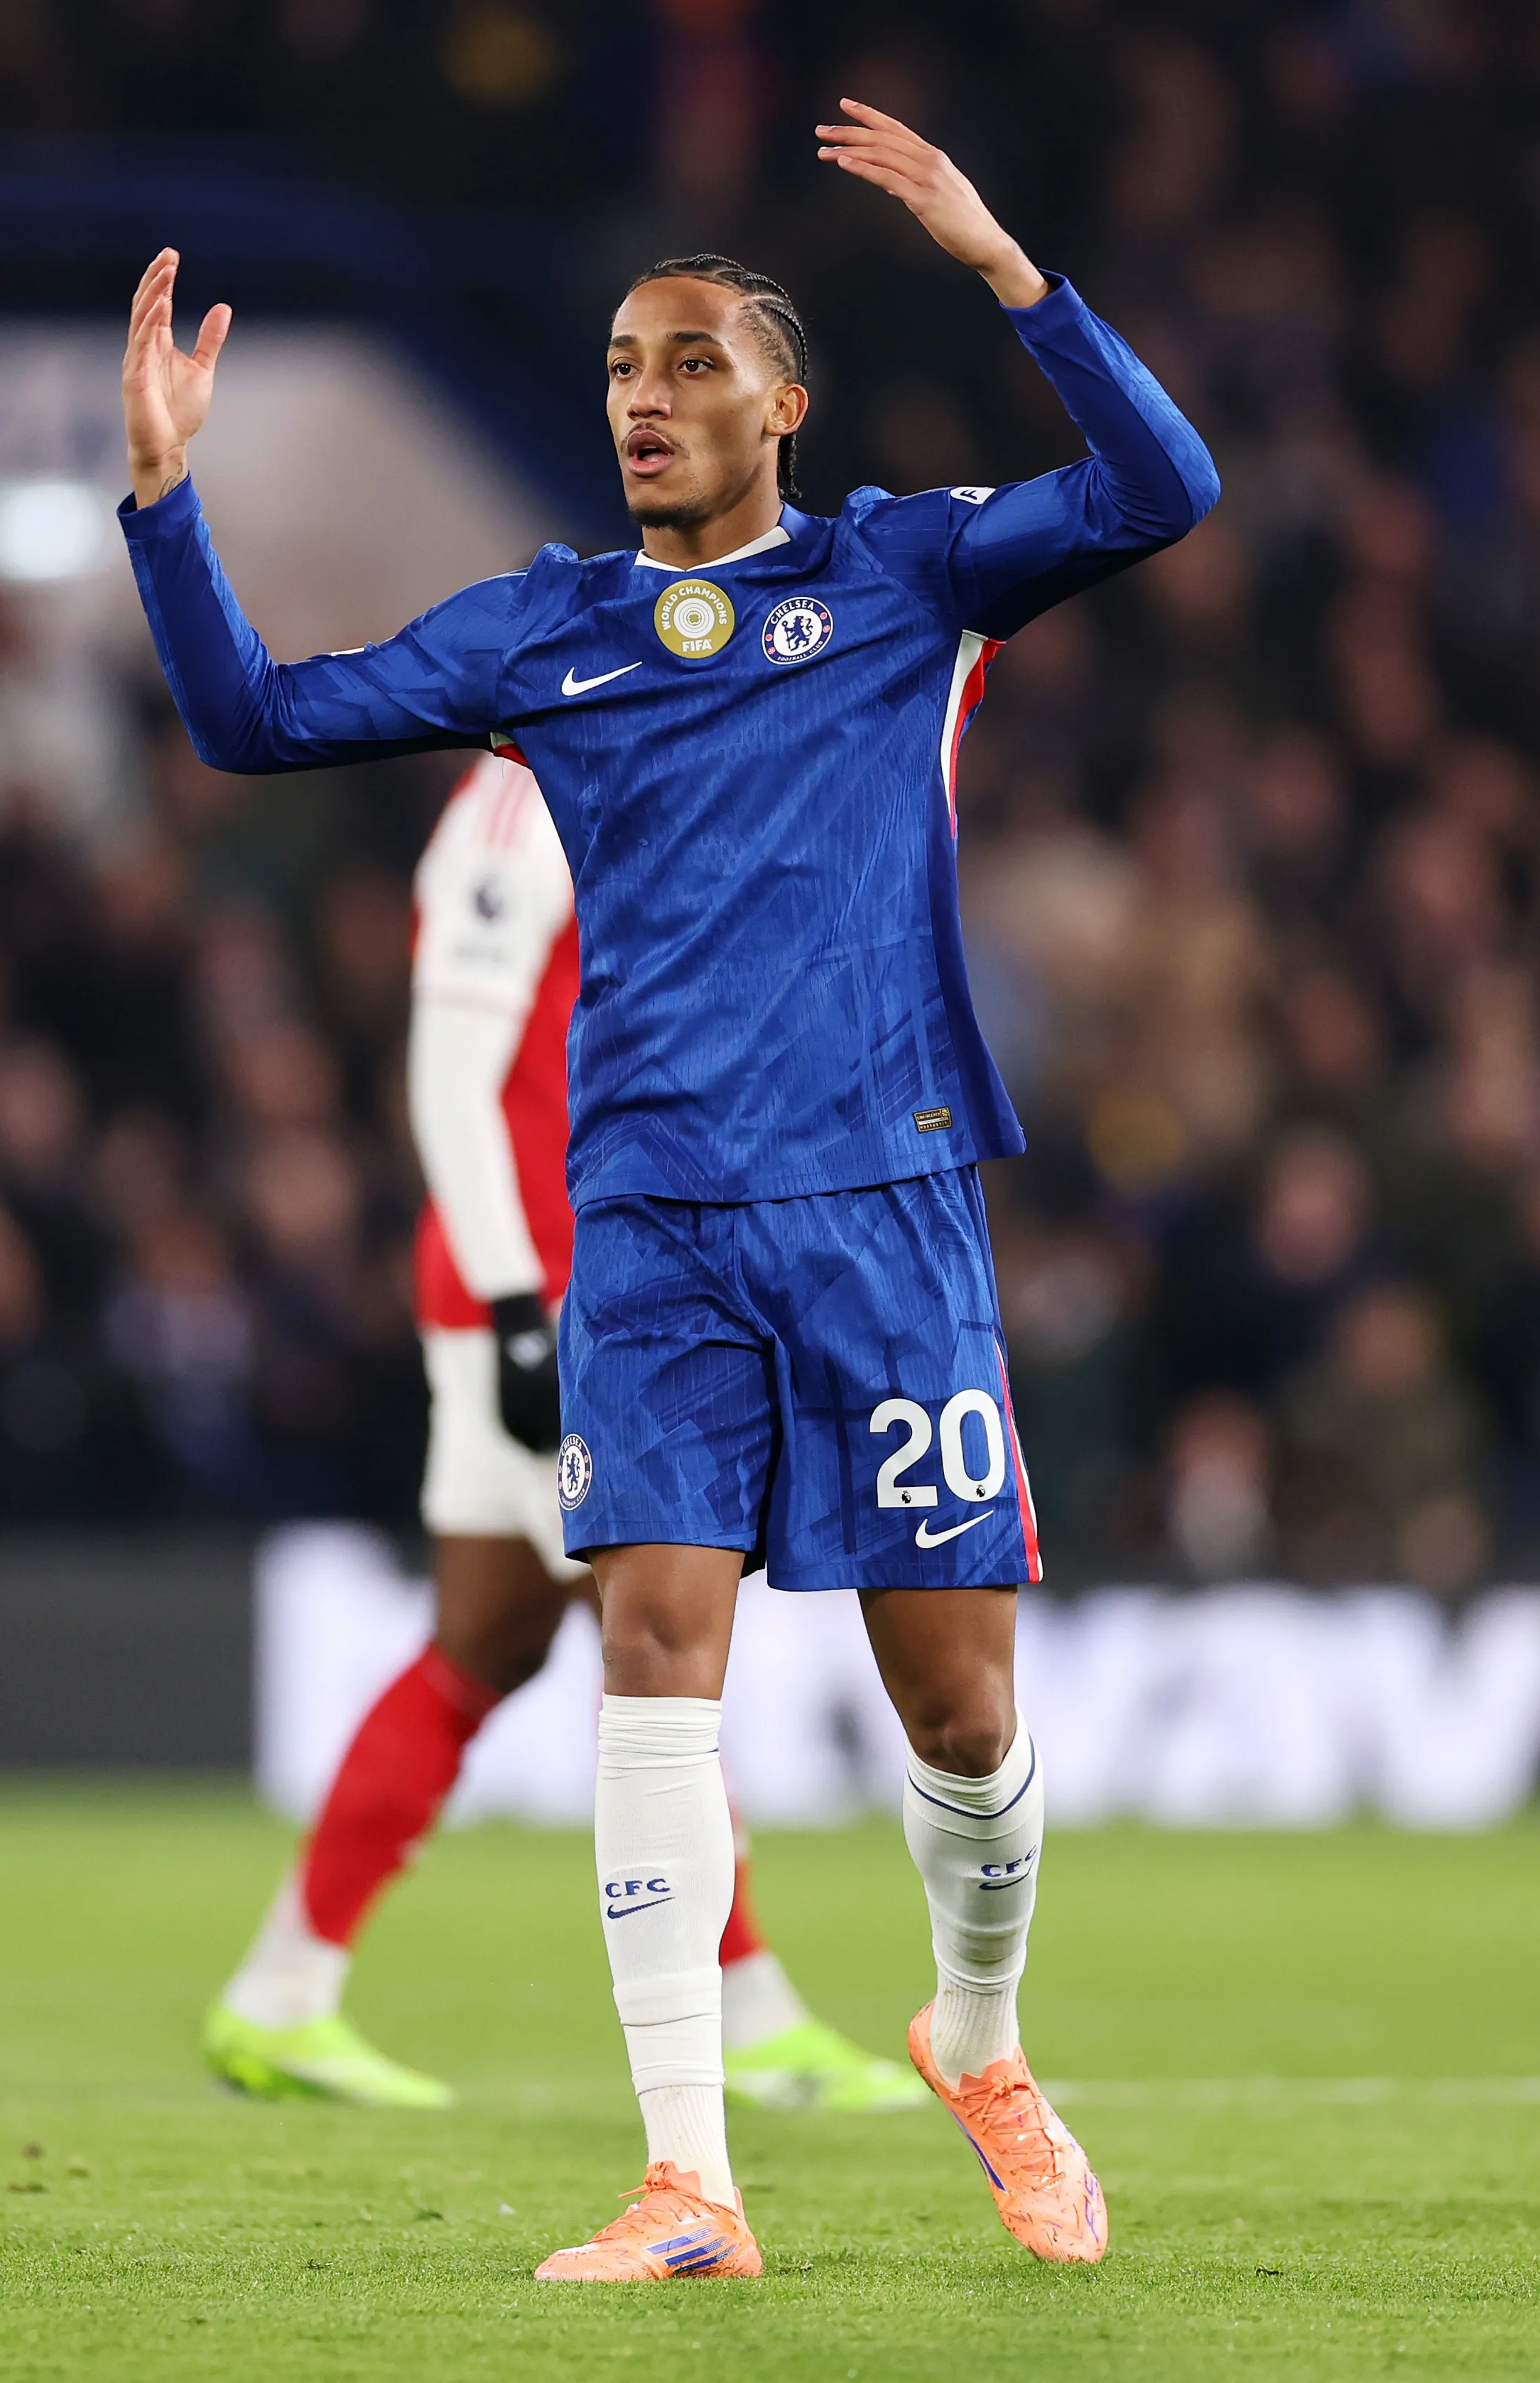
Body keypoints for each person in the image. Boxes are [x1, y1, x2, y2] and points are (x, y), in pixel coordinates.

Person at [118, 99, 1215, 2279]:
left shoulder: (907, 573)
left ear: (784, 405)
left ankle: (980, 2045)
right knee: (652, 1654)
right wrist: (164, 498)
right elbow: (251, 720)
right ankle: (689, 2178)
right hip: (652, 1216)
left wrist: (1010, 265)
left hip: (888, 1199)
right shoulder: (551, 631)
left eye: (695, 360)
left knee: (963, 1711)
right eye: (625, 364)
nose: (647, 395)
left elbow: (1167, 490)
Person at [201, 748, 916, 2117]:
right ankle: (752, 2013)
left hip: (575, 1279)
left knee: (486, 1640)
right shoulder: (511, 812)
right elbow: (450, 1076)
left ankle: (280, 1990)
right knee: (660, 1625)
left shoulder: (622, 786)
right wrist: (520, 1304)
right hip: (551, 1293)